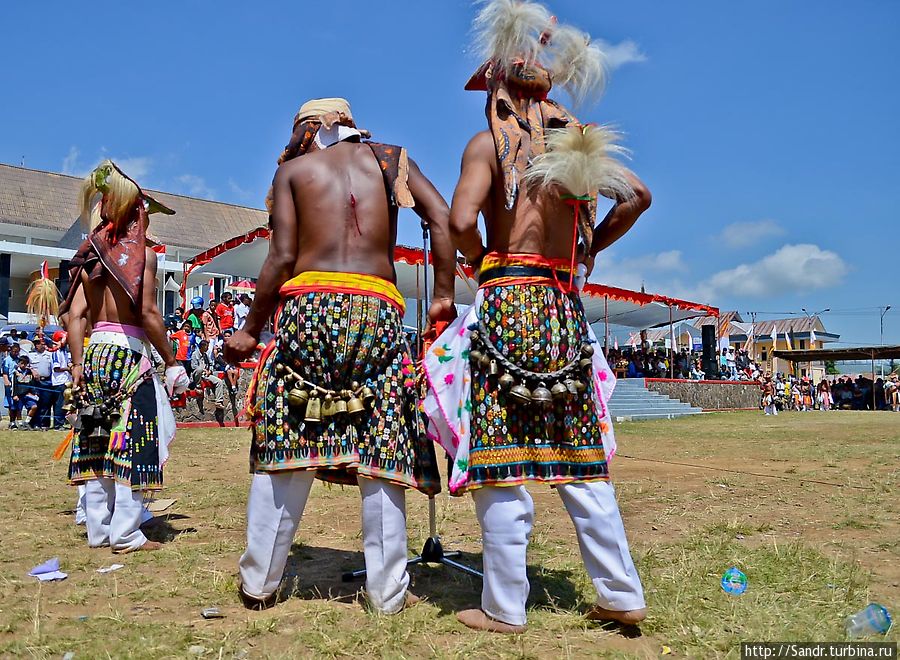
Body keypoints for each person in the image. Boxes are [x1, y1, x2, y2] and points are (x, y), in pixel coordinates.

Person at [423, 1, 651, 633]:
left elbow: (461, 221)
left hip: (506, 298)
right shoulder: (579, 152)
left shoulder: (486, 144)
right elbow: (639, 196)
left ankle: (504, 605)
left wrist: (479, 264)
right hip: (562, 307)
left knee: (500, 460)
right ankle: (621, 591)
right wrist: (588, 249)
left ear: (498, 88)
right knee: (580, 460)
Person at [224, 97, 456, 613]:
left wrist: (249, 330)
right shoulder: (392, 159)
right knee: (382, 443)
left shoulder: (295, 171)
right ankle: (387, 593)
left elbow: (282, 256)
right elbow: (442, 218)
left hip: (308, 308)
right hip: (377, 311)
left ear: (308, 129)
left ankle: (260, 582)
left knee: (288, 436)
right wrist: (442, 293)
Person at [58, 160, 189, 553]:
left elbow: (75, 316)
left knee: (97, 437)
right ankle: (127, 533)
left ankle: (99, 530)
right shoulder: (144, 256)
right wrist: (171, 359)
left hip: (95, 352)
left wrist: (79, 364)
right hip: (128, 354)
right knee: (133, 440)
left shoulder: (91, 256)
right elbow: (149, 313)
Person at [190, 339, 226, 417]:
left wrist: (209, 370)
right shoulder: (194, 354)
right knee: (199, 369)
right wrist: (203, 369)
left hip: (206, 375)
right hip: (198, 375)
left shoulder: (205, 355)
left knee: (219, 381)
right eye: (206, 346)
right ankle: (198, 385)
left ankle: (219, 401)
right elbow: (193, 366)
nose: (207, 348)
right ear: (202, 346)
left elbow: (211, 364)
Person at [50, 330, 73, 429]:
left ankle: (62, 422)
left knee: (64, 403)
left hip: (66, 380)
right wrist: (68, 369)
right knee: (59, 404)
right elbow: (56, 368)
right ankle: (58, 424)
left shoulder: (64, 351)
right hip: (59, 381)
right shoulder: (55, 352)